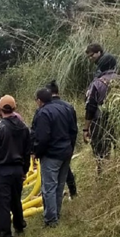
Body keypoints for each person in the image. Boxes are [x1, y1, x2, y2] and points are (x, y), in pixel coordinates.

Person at [0, 95, 31, 237]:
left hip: (1, 171)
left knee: (2, 205)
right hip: (18, 170)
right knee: (16, 199)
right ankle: (19, 226)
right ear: (14, 108)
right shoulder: (24, 128)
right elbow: (27, 152)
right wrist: (24, 170)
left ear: (0, 110)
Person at [32, 88, 77, 227]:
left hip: (51, 155)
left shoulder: (43, 113)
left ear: (39, 101)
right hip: (66, 152)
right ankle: (56, 213)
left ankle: (51, 220)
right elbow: (73, 130)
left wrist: (36, 152)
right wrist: (70, 149)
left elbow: (42, 138)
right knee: (59, 185)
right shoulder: (66, 108)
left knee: (49, 187)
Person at [84, 44, 120, 174]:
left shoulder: (98, 83)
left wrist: (86, 128)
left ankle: (103, 174)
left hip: (100, 120)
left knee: (101, 149)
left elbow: (91, 106)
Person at [45, 80, 78, 199]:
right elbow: (74, 129)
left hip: (52, 149)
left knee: (51, 176)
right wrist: (71, 146)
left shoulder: (46, 108)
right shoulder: (69, 107)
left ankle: (54, 202)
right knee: (66, 168)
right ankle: (73, 191)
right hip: (67, 145)